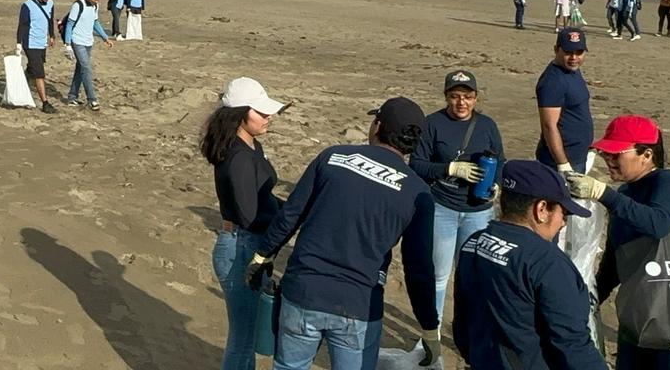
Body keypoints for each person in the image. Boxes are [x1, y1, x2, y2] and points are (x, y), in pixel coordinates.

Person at [246, 97, 440, 370]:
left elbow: (291, 214)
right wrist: (430, 328)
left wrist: (262, 255)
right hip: (358, 306)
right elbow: (419, 268)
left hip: (304, 292)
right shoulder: (418, 192)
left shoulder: (333, 156)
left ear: (378, 126)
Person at [566, 116, 670, 370]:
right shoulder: (625, 193)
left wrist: (603, 194)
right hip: (641, 315)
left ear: (646, 154)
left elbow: (658, 224)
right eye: (605, 154)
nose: (609, 161)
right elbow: (617, 258)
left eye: (616, 154)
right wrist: (591, 299)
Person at [452, 160, 606, 370]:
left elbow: (462, 324)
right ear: (542, 209)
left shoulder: (473, 243)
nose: (563, 223)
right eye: (564, 214)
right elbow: (573, 346)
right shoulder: (548, 264)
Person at [201, 77, 286, 370]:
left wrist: (293, 208)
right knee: (243, 340)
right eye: (261, 112)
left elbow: (264, 199)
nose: (268, 117)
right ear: (240, 114)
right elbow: (251, 215)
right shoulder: (238, 157)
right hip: (239, 248)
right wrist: (289, 218)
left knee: (246, 337)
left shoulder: (250, 147)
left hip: (247, 246)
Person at [409, 70, 505, 320]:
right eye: (454, 96)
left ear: (476, 98)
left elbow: (500, 161)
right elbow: (416, 164)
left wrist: (495, 185)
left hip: (478, 211)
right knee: (439, 274)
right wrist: (450, 169)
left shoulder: (487, 126)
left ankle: (468, 333)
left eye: (467, 96)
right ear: (446, 97)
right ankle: (433, 330)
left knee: (470, 276)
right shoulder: (432, 124)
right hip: (442, 207)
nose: (461, 102)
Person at [536, 27, 594, 174]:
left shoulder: (573, 70)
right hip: (561, 161)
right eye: (568, 52)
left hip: (578, 155)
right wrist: (562, 164)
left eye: (579, 52)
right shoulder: (552, 82)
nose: (574, 57)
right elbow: (549, 126)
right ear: (557, 50)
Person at [64, 0, 115, 110]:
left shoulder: (95, 6)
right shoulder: (78, 5)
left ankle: (72, 97)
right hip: (77, 41)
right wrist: (67, 44)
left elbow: (95, 22)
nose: (96, 1)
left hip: (88, 42)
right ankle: (92, 99)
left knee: (80, 69)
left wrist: (105, 38)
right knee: (86, 69)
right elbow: (69, 24)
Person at [17, 0, 58, 114]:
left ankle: (21, 83)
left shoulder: (50, 3)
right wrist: (18, 44)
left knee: (33, 69)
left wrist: (51, 36)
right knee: (40, 74)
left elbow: (50, 20)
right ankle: (45, 102)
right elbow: (22, 26)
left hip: (42, 43)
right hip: (30, 43)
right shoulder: (27, 5)